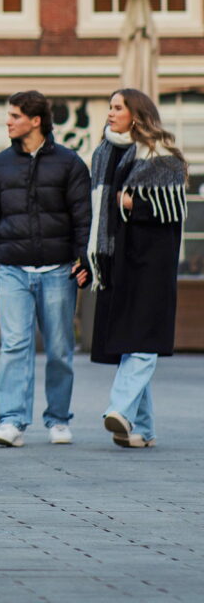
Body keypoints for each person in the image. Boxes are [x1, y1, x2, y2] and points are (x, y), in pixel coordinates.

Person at [0, 91, 92, 448]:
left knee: (59, 347)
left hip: (58, 271)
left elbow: (83, 218)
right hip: (12, 270)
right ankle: (12, 420)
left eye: (15, 116)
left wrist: (84, 259)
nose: (8, 121)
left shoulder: (70, 164)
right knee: (15, 346)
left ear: (36, 120)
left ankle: (58, 419)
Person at [75, 89, 188, 449]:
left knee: (141, 338)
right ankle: (143, 429)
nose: (110, 112)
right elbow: (96, 217)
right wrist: (87, 260)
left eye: (117, 107)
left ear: (136, 115)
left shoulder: (162, 156)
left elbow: (173, 211)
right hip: (114, 260)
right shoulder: (103, 153)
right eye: (109, 106)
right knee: (131, 341)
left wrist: (134, 202)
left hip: (151, 262)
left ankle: (121, 409)